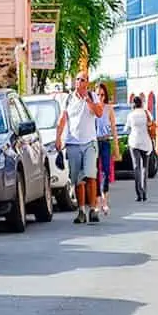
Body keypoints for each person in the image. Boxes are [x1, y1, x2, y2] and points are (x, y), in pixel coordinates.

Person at [55, 73, 103, 224]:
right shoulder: (68, 99)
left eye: (82, 80)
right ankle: (81, 211)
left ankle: (93, 210)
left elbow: (99, 113)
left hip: (89, 142)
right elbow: (63, 119)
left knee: (90, 175)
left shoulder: (93, 96)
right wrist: (58, 137)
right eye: (77, 79)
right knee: (78, 179)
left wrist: (88, 101)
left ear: (87, 83)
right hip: (73, 143)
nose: (78, 82)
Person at [94, 82, 120, 215]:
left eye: (102, 95)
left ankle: (104, 200)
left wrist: (116, 149)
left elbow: (114, 130)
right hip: (94, 142)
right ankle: (98, 202)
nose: (100, 97)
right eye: (98, 94)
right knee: (95, 172)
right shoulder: (92, 108)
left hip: (105, 141)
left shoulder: (109, 109)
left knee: (105, 170)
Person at [127, 95, 154, 202]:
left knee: (136, 167)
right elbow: (151, 123)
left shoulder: (131, 115)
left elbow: (127, 127)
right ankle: (145, 193)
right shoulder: (146, 113)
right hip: (145, 142)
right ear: (141, 103)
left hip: (134, 142)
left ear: (133, 104)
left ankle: (139, 193)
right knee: (144, 168)